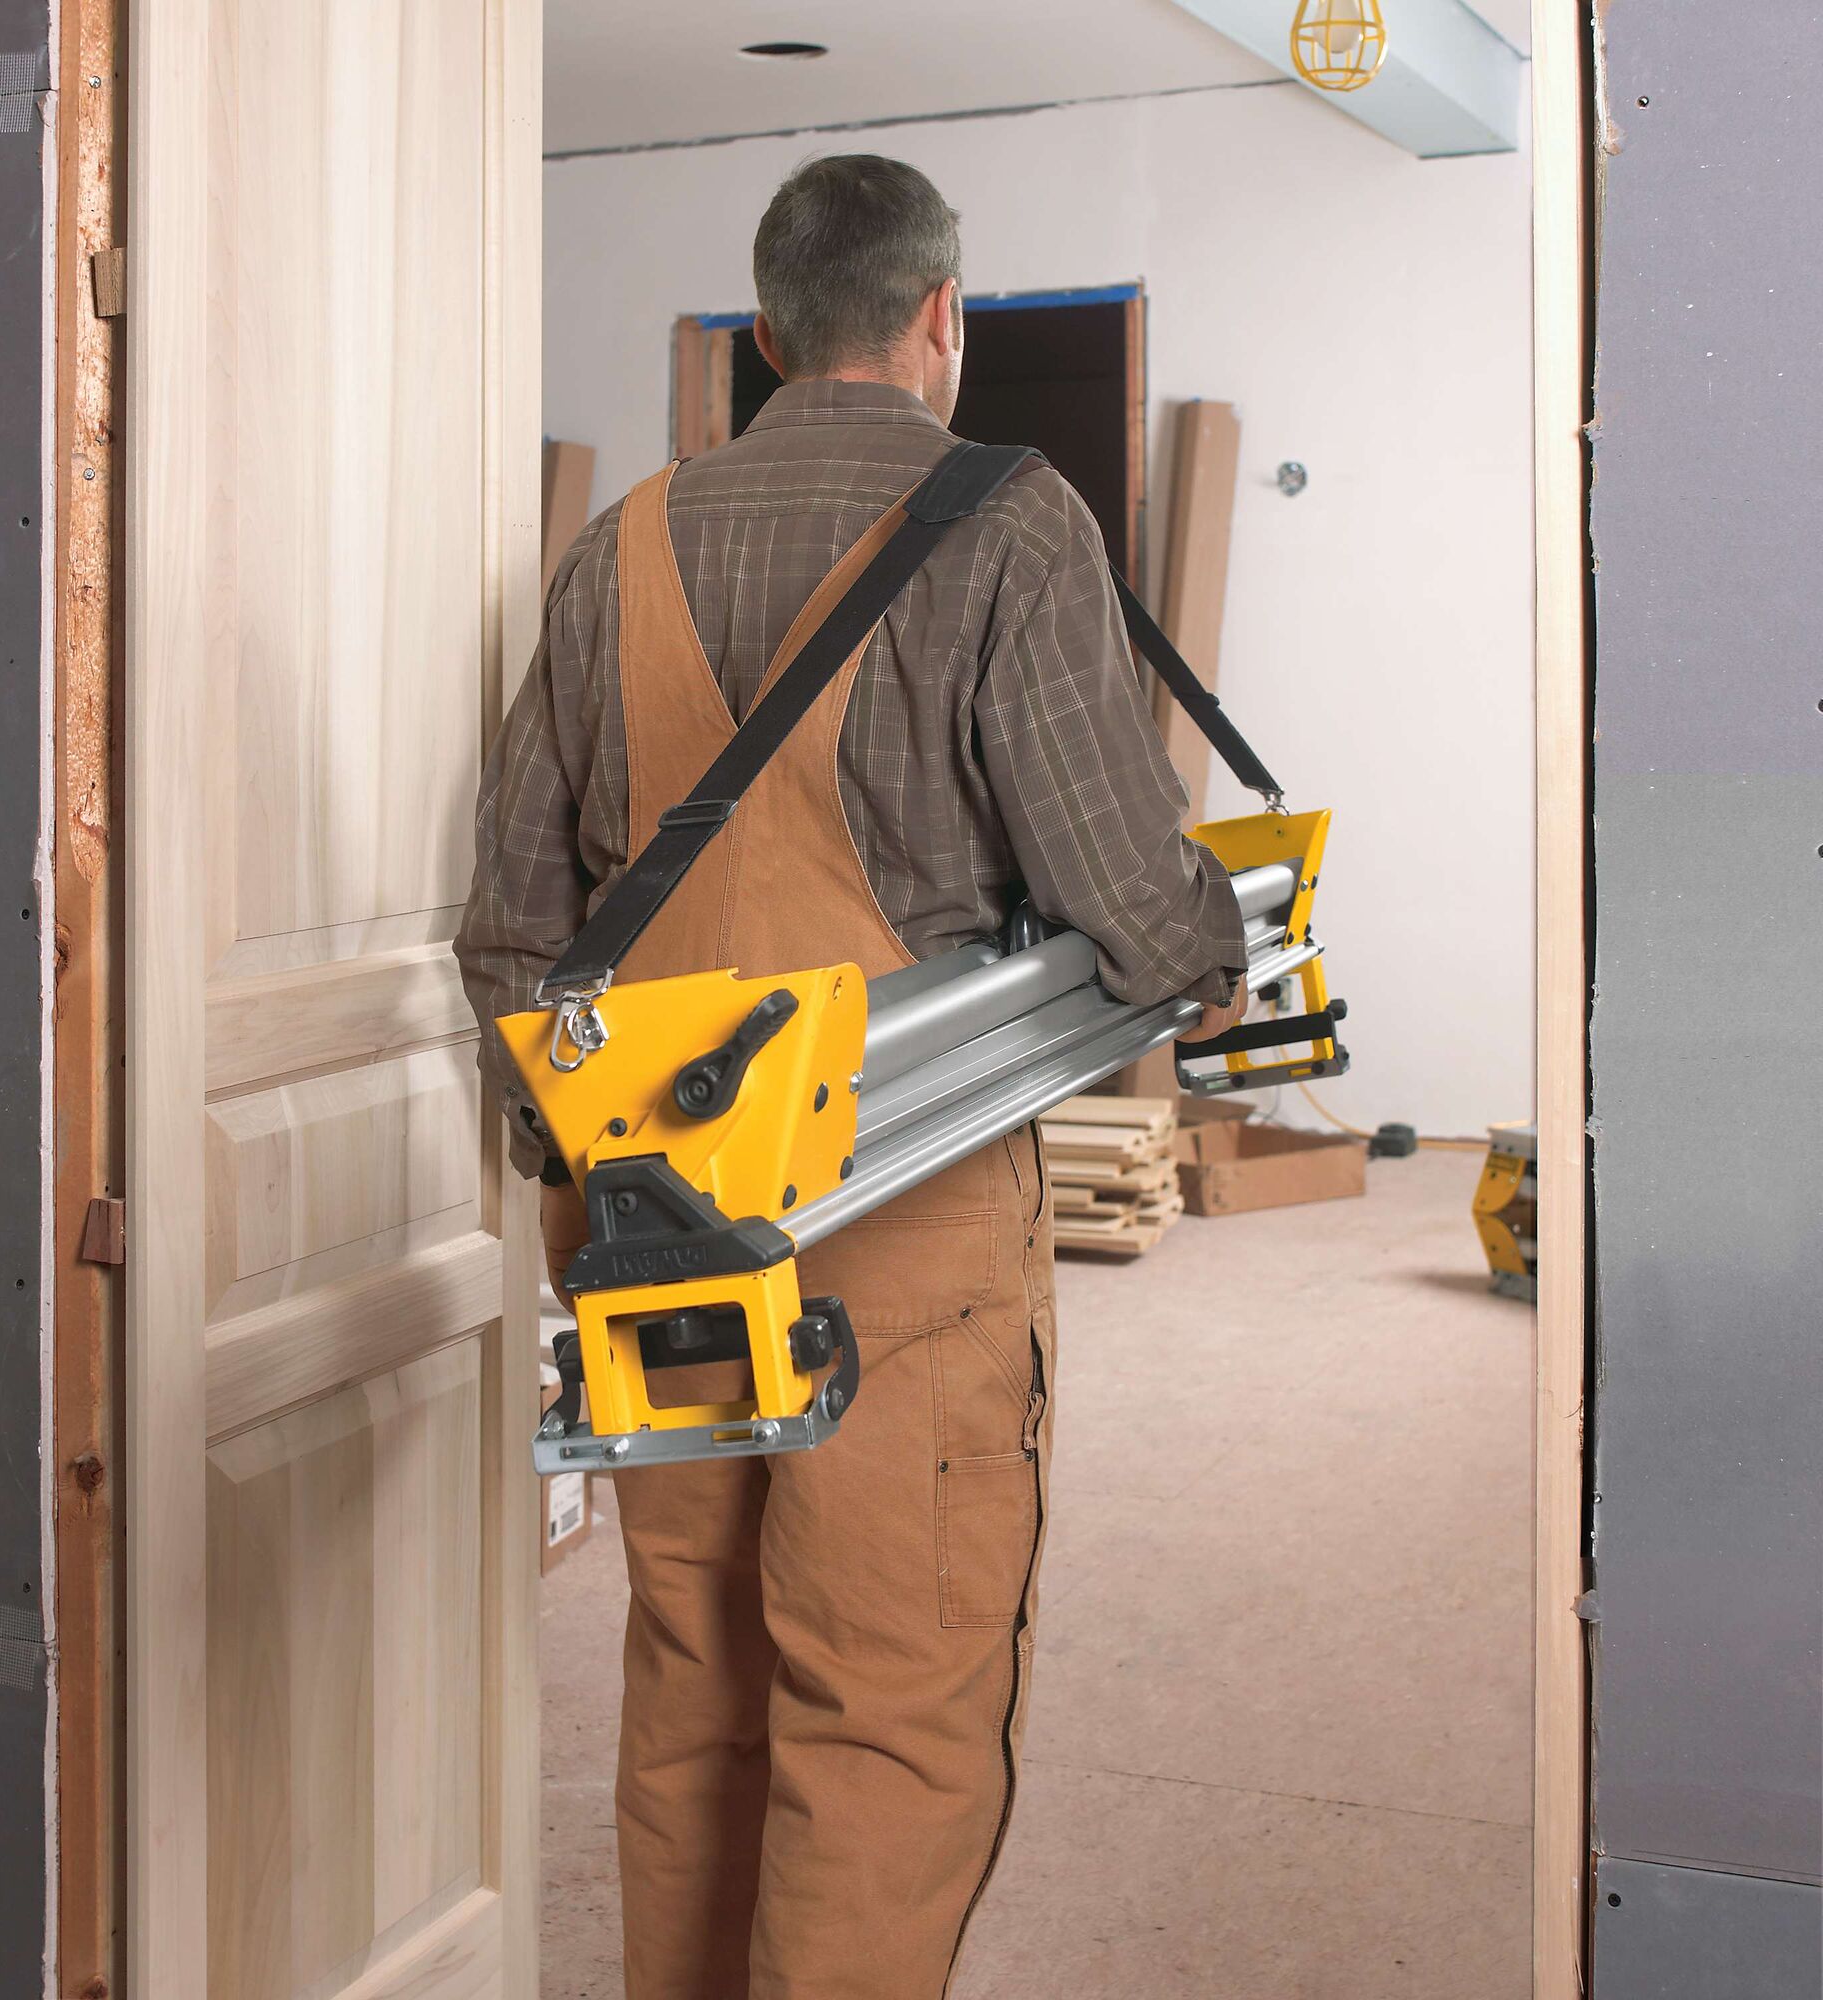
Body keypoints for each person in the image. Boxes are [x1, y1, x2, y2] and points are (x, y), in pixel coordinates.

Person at [456, 153, 1247, 2000]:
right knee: (886, 1700)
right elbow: (1138, 911)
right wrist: (1216, 950)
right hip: (907, 1214)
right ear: (939, 323)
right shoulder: (1011, 521)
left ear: (762, 336)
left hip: (660, 1229)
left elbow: (511, 935)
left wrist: (583, 1176)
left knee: (695, 1682)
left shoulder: (619, 547)